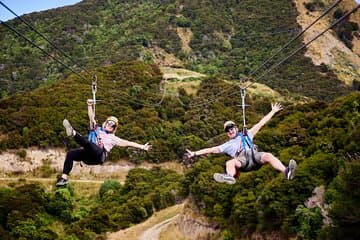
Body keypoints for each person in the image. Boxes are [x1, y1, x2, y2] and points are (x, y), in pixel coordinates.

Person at [185, 102, 297, 184]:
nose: (230, 131)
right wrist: (194, 153)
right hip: (243, 162)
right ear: (227, 134)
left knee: (268, 155)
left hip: (254, 156)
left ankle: (286, 171)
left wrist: (273, 111)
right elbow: (210, 150)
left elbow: (261, 123)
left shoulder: (247, 134)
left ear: (236, 128)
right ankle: (230, 176)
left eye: (232, 129)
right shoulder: (227, 145)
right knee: (229, 163)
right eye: (228, 131)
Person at [56, 99, 151, 186]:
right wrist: (89, 105)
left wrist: (142, 147)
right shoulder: (96, 129)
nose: (110, 125)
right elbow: (91, 117)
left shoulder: (113, 138)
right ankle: (64, 178)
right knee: (70, 154)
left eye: (112, 125)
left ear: (114, 129)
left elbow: (128, 143)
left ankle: (73, 133)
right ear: (105, 123)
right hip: (88, 156)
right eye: (109, 123)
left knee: (90, 145)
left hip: (98, 156)